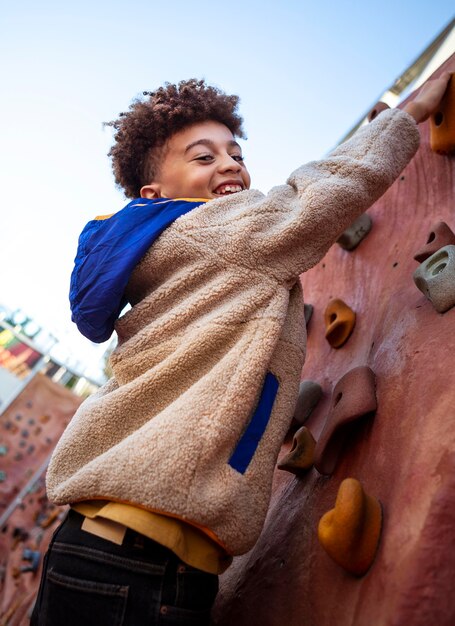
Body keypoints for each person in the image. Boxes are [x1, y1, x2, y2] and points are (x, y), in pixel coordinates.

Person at [32, 74, 451, 625]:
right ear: (155, 196)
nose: (230, 164)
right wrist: (409, 112)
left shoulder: (174, 258)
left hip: (107, 548)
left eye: (235, 152)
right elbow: (319, 196)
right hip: (143, 561)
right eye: (203, 157)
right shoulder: (216, 230)